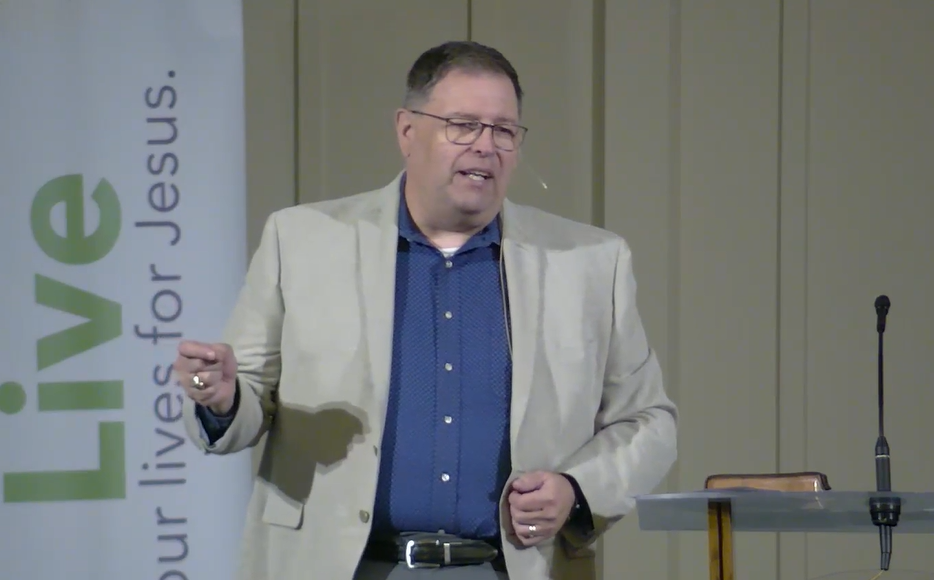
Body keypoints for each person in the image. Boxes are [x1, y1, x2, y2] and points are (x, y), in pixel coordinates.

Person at [173, 40, 678, 580]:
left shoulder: (590, 263)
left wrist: (577, 489)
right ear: (407, 132)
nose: (486, 146)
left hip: (508, 567)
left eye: (504, 131)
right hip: (344, 566)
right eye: (462, 125)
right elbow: (245, 404)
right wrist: (222, 399)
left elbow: (649, 422)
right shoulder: (300, 241)